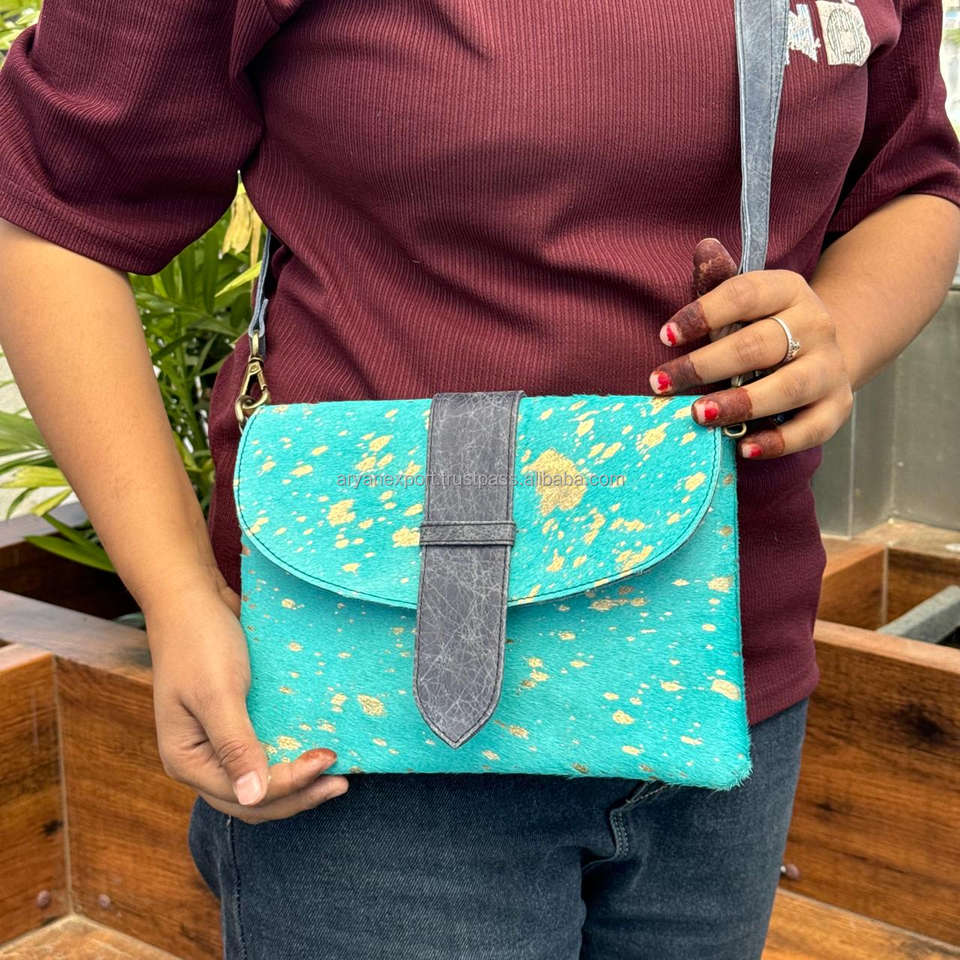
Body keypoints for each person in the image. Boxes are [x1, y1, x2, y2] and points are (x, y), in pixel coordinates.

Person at [1, 0, 959, 957]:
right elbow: (44, 203)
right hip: (364, 720)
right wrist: (176, 595)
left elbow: (909, 178)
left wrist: (835, 336)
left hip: (726, 683)